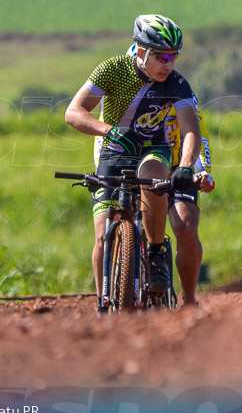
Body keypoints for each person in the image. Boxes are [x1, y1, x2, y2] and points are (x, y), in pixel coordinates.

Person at [65, 15, 203, 309]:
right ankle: (104, 300)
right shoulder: (113, 69)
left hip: (155, 146)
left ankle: (154, 254)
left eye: (174, 57)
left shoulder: (177, 84)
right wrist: (108, 130)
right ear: (141, 51)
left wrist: (188, 167)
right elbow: (74, 112)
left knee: (153, 173)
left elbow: (191, 130)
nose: (169, 64)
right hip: (113, 145)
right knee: (102, 233)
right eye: (162, 57)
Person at [92, 43, 215, 307]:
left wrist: (200, 172)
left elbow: (197, 137)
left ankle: (190, 299)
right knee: (102, 230)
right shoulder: (118, 106)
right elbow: (102, 148)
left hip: (179, 163)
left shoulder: (180, 95)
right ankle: (105, 298)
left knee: (185, 225)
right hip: (135, 160)